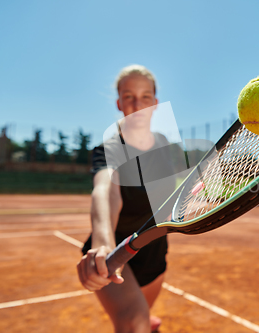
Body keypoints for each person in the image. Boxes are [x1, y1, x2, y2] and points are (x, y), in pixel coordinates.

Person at [77, 65, 175, 333]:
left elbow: (168, 194)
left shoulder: (164, 145)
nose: (137, 103)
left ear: (155, 104)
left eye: (145, 97)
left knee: (143, 317)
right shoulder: (109, 149)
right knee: (134, 322)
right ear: (120, 103)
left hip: (154, 250)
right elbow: (105, 190)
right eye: (129, 96)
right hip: (116, 249)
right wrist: (103, 243)